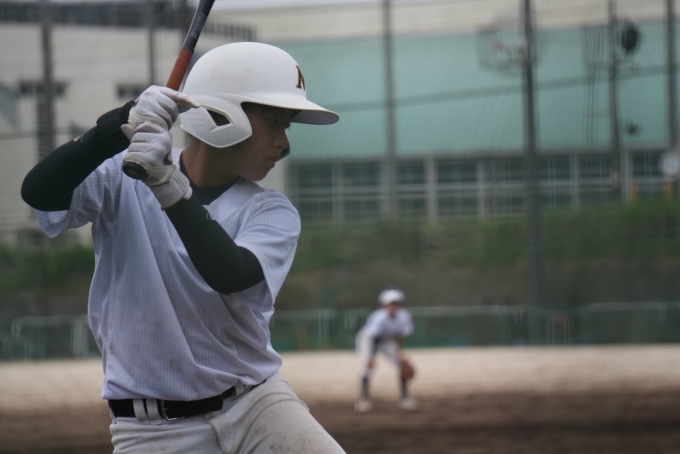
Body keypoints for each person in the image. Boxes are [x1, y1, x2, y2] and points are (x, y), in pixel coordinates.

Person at [21, 42, 346, 453]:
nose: (284, 142)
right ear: (222, 115)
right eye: (273, 122)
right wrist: (118, 125)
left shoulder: (271, 210)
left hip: (257, 405)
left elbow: (230, 272)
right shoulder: (122, 176)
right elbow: (38, 191)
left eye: (286, 127)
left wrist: (166, 182)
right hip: (152, 432)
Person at [354, 289, 416, 412]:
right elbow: (374, 338)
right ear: (384, 305)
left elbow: (401, 336)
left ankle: (405, 399)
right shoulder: (379, 317)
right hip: (368, 340)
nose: (393, 306)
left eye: (396, 303)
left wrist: (400, 353)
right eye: (390, 304)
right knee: (368, 367)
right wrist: (371, 358)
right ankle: (364, 400)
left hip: (386, 340)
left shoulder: (404, 316)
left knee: (401, 365)